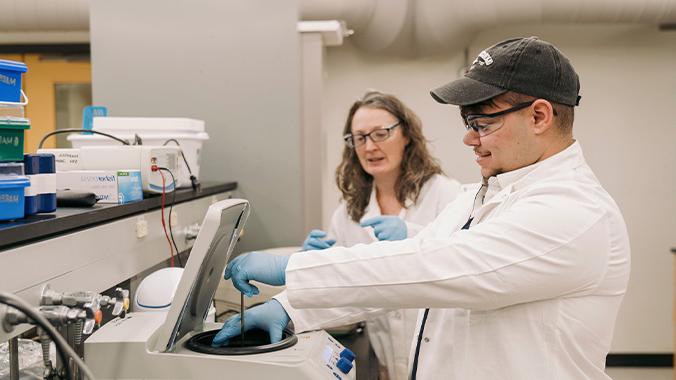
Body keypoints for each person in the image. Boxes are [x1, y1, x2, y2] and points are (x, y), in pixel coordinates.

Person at [213, 36, 631, 380]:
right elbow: (396, 280)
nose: (469, 139)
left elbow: (433, 267)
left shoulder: (574, 211)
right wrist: (288, 308)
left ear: (539, 116)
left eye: (482, 124)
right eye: (467, 124)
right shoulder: (480, 196)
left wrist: (292, 269)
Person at [301, 90, 461, 380]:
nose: (369, 146)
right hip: (387, 366)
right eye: (359, 138)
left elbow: (464, 262)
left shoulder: (444, 193)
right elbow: (342, 290)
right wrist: (314, 263)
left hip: (444, 365)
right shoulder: (349, 213)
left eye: (380, 134)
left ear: (407, 134)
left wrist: (414, 236)